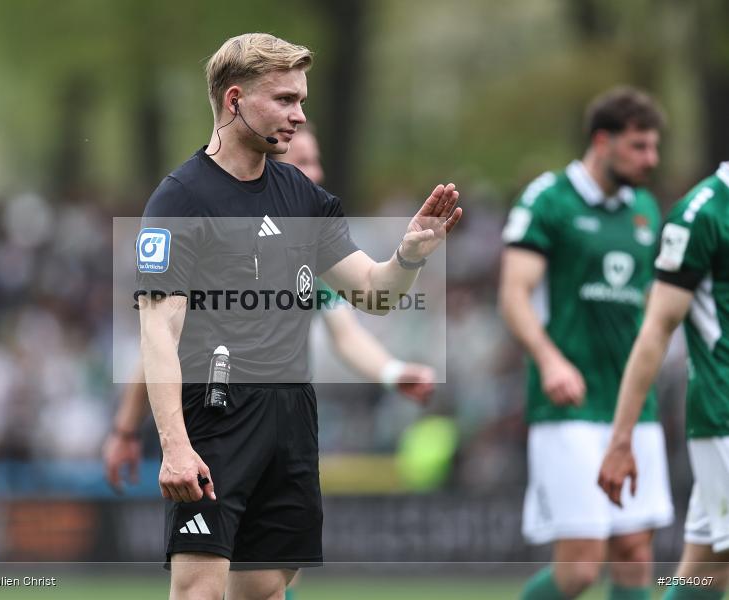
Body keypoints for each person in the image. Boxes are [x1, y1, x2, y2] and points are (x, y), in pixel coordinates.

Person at [127, 33, 460, 600]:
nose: (298, 116)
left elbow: (373, 293)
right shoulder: (179, 200)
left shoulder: (302, 196)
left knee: (263, 591)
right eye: (284, 100)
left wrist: (410, 255)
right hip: (216, 419)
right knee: (198, 592)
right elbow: (159, 329)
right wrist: (176, 447)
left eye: (300, 100)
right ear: (234, 101)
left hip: (292, 421)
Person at [499, 86, 673, 599]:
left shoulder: (644, 208)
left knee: (637, 553)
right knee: (579, 570)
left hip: (632, 405)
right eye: (639, 146)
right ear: (603, 141)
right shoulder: (549, 199)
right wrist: (550, 361)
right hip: (569, 406)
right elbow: (513, 294)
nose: (652, 159)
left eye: (654, 146)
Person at [598, 161, 729, 599]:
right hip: (724, 414)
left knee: (704, 575)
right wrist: (621, 438)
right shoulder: (702, 213)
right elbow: (655, 330)